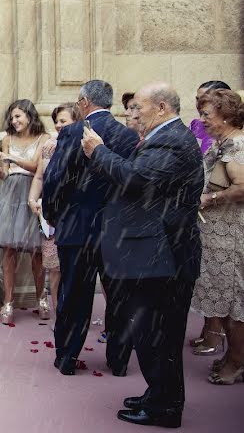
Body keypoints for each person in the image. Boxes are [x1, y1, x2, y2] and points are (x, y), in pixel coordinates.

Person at [82, 82, 203, 428]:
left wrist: (98, 151)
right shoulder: (167, 136)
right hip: (155, 252)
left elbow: (136, 179)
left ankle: (165, 408)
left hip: (164, 255)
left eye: (139, 107)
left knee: (159, 335)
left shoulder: (172, 140)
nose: (132, 113)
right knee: (153, 333)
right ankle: (158, 395)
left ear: (162, 108)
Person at [43, 81, 139, 376]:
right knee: (119, 297)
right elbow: (131, 183)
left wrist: (55, 215)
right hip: (116, 228)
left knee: (74, 295)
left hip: (78, 226)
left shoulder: (72, 132)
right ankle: (119, 360)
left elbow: (55, 179)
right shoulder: (127, 135)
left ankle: (68, 357)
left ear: (84, 102)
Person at [190, 89, 244, 384]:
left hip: (231, 239)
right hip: (216, 238)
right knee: (222, 301)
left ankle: (237, 362)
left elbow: (243, 186)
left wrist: (211, 199)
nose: (202, 120)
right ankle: (233, 356)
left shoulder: (238, 146)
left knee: (233, 302)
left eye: (207, 115)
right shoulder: (222, 144)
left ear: (225, 115)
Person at [0, 99, 50, 324]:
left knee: (37, 252)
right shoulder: (7, 139)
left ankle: (42, 297)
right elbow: (7, 172)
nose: (14, 121)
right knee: (8, 250)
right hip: (10, 197)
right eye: (12, 118)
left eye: (18, 116)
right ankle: (8, 302)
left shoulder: (44, 139)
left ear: (30, 116)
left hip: (32, 195)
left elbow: (36, 167)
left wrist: (11, 158)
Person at [187, 80, 231, 352]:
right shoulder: (196, 126)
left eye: (204, 100)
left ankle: (218, 336)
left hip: (222, 215)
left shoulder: (230, 140)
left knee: (220, 279)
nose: (199, 107)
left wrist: (210, 197)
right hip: (204, 213)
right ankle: (208, 328)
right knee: (205, 277)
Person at [28, 103, 80, 316]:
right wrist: (33, 199)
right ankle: (60, 314)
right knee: (54, 270)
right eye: (56, 121)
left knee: (74, 270)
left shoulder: (83, 144)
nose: (58, 125)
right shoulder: (48, 146)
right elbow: (39, 176)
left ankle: (75, 314)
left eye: (63, 121)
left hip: (74, 216)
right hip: (50, 217)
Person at [190, 81, 232, 155]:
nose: (199, 104)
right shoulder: (195, 125)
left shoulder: (234, 134)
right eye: (198, 99)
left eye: (204, 100)